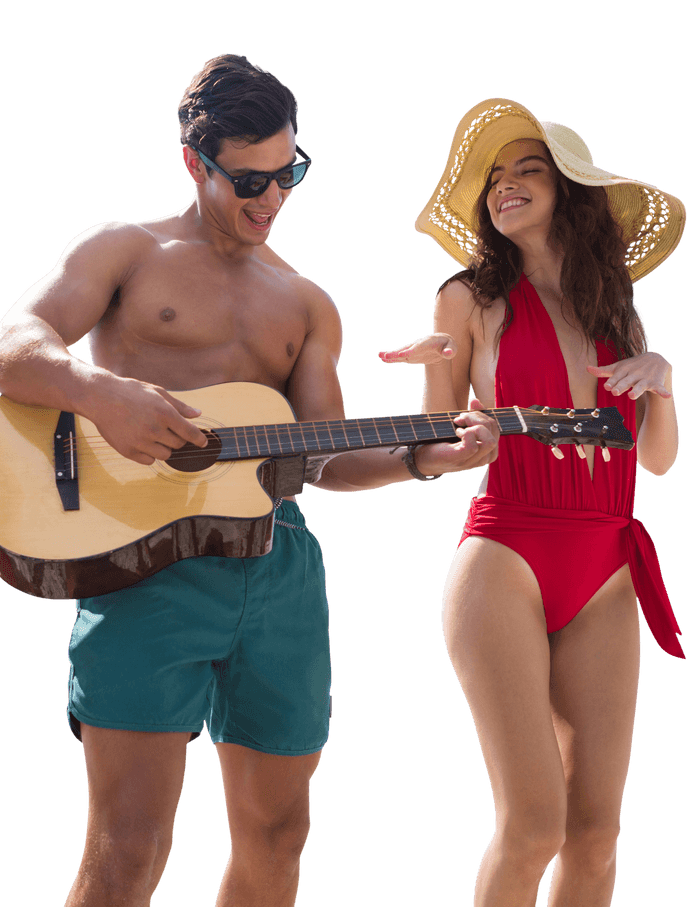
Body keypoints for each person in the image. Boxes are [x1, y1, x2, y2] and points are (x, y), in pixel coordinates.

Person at [0, 54, 498, 907]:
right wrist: (97, 390)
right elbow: (13, 343)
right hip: (142, 567)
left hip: (279, 569)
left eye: (289, 173)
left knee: (278, 835)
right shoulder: (124, 249)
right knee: (128, 850)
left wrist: (421, 457)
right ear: (195, 161)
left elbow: (322, 454)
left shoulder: (306, 303)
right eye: (249, 178)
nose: (271, 197)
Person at [380, 98, 682, 906]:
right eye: (495, 179)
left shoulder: (616, 304)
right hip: (505, 553)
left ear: (570, 190)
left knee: (596, 838)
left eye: (529, 171)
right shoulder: (465, 298)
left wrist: (664, 382)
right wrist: (439, 386)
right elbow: (437, 442)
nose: (506, 187)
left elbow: (654, 460)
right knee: (533, 826)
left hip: (607, 565)